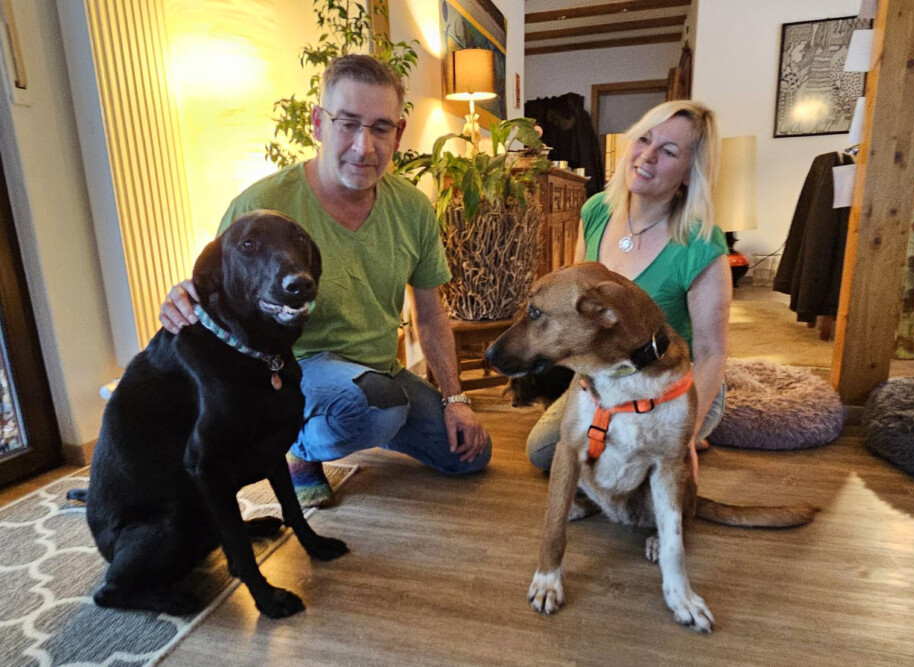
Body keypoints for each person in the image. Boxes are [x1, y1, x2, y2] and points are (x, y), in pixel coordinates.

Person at [159, 55, 490, 508]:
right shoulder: (260, 205)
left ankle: (367, 416)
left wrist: (455, 399)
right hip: (292, 370)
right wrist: (183, 296)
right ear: (318, 123)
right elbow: (218, 297)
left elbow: (431, 315)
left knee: (469, 454)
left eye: (380, 128)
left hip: (379, 372)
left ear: (398, 133)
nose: (364, 147)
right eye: (348, 124)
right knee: (378, 405)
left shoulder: (412, 208)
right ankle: (297, 445)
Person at [525, 100, 731, 482]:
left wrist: (685, 435)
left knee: (629, 468)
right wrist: (581, 396)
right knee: (542, 451)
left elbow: (712, 352)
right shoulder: (596, 211)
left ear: (690, 172)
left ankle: (699, 430)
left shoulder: (702, 243)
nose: (647, 156)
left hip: (670, 379)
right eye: (644, 139)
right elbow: (579, 319)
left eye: (668, 151)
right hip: (607, 374)